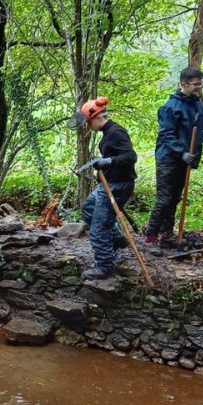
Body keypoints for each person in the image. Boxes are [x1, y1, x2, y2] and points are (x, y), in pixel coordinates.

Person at [145, 67, 203, 248]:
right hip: (169, 158)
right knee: (164, 198)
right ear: (184, 84)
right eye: (196, 85)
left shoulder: (197, 104)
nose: (199, 88)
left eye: (201, 84)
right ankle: (151, 236)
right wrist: (182, 152)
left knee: (175, 198)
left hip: (185, 159)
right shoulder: (169, 107)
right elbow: (167, 135)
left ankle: (167, 234)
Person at [67, 96, 138, 280]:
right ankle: (116, 239)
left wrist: (108, 161)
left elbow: (130, 157)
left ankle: (104, 265)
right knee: (89, 208)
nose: (88, 126)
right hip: (110, 181)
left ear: (98, 118)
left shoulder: (115, 132)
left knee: (99, 226)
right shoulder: (108, 133)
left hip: (119, 185)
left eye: (89, 122)